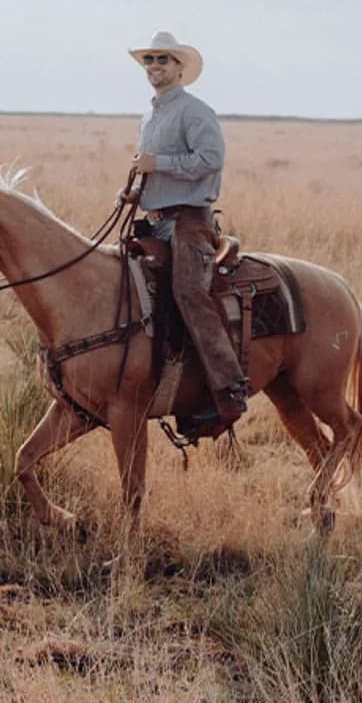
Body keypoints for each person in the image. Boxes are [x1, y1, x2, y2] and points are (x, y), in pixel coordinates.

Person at [121, 30, 248, 431]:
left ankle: (228, 391)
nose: (155, 67)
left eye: (163, 60)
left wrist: (159, 164)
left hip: (189, 222)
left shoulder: (195, 111)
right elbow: (153, 166)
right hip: (156, 221)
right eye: (150, 61)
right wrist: (135, 189)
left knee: (189, 292)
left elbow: (210, 159)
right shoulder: (150, 115)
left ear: (179, 68)